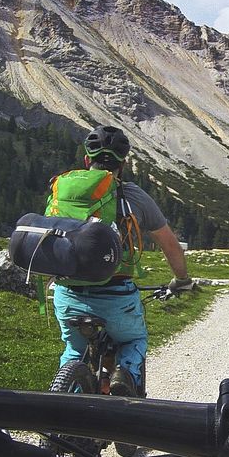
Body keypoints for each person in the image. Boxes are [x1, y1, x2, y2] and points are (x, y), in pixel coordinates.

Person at [50, 125, 191, 399]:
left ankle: (63, 407)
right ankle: (125, 378)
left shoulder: (63, 189)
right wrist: (181, 280)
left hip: (67, 295)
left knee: (73, 349)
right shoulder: (133, 195)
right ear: (122, 164)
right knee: (133, 339)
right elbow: (170, 245)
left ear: (87, 160)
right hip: (116, 297)